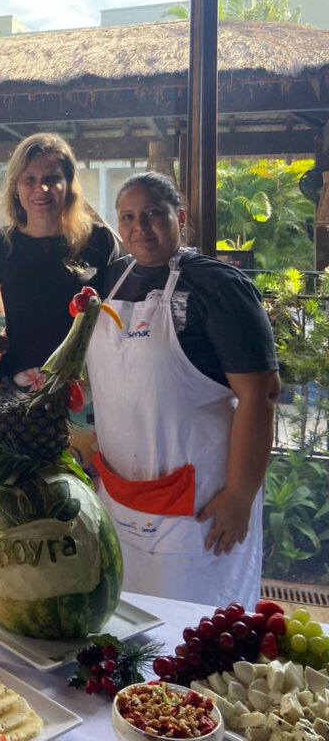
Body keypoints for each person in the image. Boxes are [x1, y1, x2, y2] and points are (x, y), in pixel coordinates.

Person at [86, 171, 280, 609]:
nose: (141, 226)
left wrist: (239, 497)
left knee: (193, 633)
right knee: (125, 623)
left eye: (154, 213)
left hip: (198, 507)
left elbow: (261, 394)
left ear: (180, 216)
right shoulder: (111, 281)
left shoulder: (219, 286)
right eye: (129, 216)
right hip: (120, 498)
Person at [0, 132, 120, 400]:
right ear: (16, 187)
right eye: (29, 179)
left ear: (68, 185)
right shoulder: (0, 243)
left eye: (52, 179)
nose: (40, 189)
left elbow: (120, 311)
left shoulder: (99, 240)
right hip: (18, 388)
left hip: (87, 389)